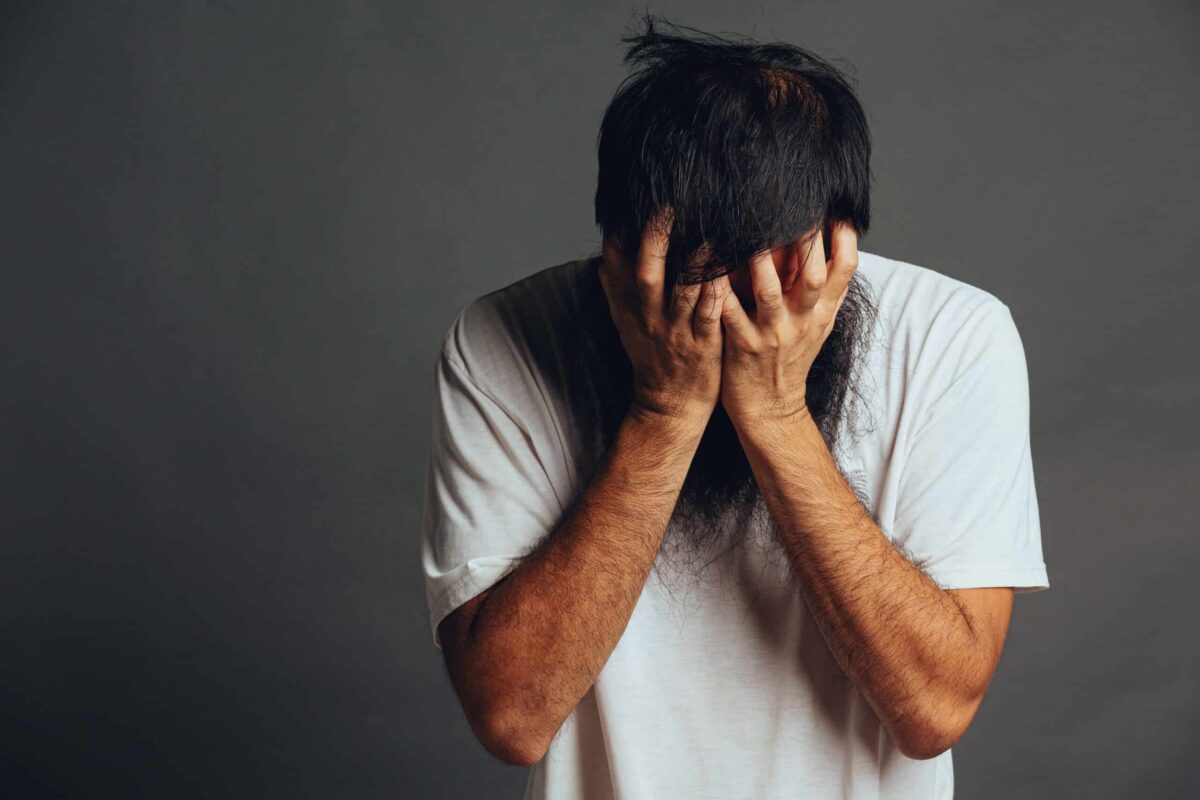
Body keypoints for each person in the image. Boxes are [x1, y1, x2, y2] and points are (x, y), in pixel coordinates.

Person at [419, 15, 1049, 800]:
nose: (724, 313)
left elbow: (933, 709)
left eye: (765, 275)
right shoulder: (501, 340)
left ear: (835, 244)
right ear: (617, 253)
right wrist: (663, 411)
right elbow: (512, 719)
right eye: (688, 277)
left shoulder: (956, 335)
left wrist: (779, 419)